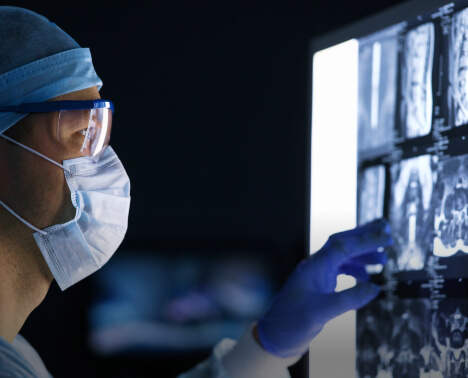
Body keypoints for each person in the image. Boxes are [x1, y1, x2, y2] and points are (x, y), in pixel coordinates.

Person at [0, 6, 393, 378]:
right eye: (82, 133)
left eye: (101, 131)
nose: (103, 164)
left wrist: (265, 349)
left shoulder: (18, 354)